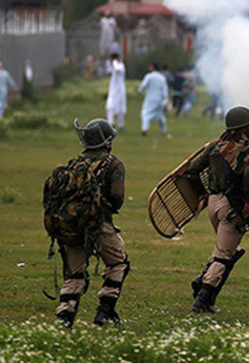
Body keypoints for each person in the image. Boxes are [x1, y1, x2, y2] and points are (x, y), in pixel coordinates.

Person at [50, 119, 129, 327]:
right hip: (98, 224)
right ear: (107, 142)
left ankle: (64, 318)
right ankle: (105, 311)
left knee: (74, 275)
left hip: (70, 226)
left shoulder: (74, 163)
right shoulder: (113, 164)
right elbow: (117, 198)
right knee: (119, 262)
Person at [186, 106, 249, 314]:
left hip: (213, 203)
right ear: (243, 128)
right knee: (224, 255)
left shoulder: (214, 147)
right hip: (232, 207)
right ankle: (201, 299)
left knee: (227, 251)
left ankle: (203, 282)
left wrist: (202, 192)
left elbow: (192, 170)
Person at [138, 63, 170, 137]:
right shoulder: (162, 78)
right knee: (160, 116)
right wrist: (165, 98)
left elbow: (143, 85)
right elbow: (165, 89)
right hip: (159, 100)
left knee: (145, 114)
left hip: (150, 99)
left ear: (153, 68)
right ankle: (164, 131)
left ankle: (144, 129)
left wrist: (139, 90)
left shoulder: (149, 76)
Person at [105, 53, 127, 132]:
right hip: (113, 90)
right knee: (110, 107)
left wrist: (114, 63)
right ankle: (110, 123)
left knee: (120, 109)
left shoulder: (120, 65)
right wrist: (109, 63)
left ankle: (121, 126)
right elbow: (109, 71)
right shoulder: (115, 64)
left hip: (119, 90)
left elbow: (118, 69)